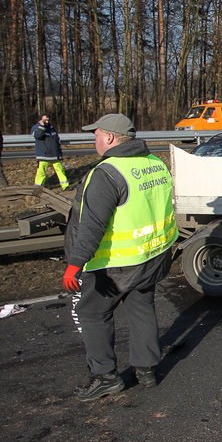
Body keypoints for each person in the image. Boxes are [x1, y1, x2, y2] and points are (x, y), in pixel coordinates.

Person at [63, 113, 178, 401]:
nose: (94, 139)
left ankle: (106, 377)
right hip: (153, 255)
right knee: (141, 306)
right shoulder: (155, 164)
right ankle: (147, 370)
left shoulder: (106, 173)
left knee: (91, 313)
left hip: (116, 264)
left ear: (111, 138)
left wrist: (75, 263)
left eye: (96, 134)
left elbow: (91, 225)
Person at [31, 114, 70, 190]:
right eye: (45, 120)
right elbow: (38, 135)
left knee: (60, 171)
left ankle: (65, 186)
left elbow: (56, 141)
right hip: (43, 155)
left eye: (48, 120)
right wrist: (42, 126)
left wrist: (59, 153)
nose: (47, 121)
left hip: (54, 155)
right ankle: (37, 188)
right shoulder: (36, 128)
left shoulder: (52, 128)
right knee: (41, 172)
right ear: (40, 120)